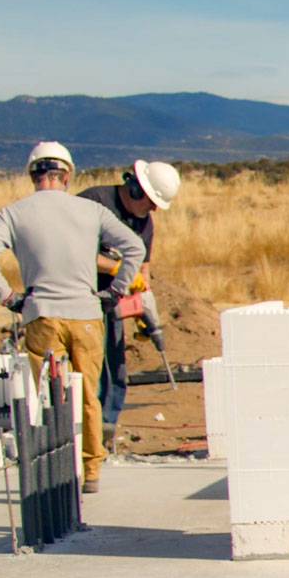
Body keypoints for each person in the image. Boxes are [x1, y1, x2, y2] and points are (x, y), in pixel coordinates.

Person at [0, 141, 145, 494]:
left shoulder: (12, 214)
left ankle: (59, 473)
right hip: (87, 316)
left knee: (51, 396)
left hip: (41, 316)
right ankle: (91, 471)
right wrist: (116, 290)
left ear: (32, 174)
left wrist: (9, 297)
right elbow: (134, 247)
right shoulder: (90, 211)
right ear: (68, 174)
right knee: (88, 394)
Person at [80, 159, 180, 449]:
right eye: (150, 203)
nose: (153, 211)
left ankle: (105, 430)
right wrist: (115, 267)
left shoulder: (144, 223)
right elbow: (70, 251)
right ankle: (87, 434)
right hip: (80, 296)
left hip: (111, 300)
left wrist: (142, 307)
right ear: (135, 189)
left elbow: (143, 269)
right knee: (90, 367)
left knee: (115, 368)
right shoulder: (93, 202)